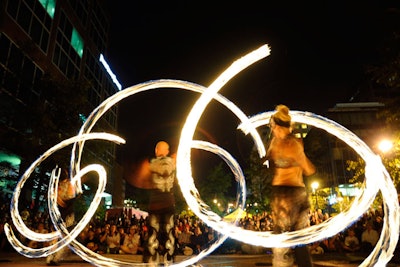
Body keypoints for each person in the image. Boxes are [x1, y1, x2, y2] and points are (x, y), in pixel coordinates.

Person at [265, 104, 316, 267]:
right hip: (290, 192)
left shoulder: (291, 144)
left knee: (288, 236)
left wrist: (292, 160)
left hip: (287, 193)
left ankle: (289, 263)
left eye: (273, 127)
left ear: (280, 127)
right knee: (293, 237)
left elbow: (309, 169)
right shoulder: (287, 143)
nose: (273, 130)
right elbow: (309, 170)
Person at [142, 141, 177, 264]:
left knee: (153, 234)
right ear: (167, 151)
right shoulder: (173, 163)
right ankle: (169, 261)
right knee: (169, 234)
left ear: (157, 150)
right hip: (168, 203)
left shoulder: (153, 164)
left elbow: (144, 176)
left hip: (156, 204)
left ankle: (152, 263)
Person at [46, 167, 77, 266]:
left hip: (64, 212)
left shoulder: (63, 184)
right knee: (60, 236)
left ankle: (53, 258)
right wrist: (60, 200)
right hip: (62, 213)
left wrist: (59, 199)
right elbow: (68, 196)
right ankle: (52, 258)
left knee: (61, 236)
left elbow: (61, 198)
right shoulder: (62, 184)